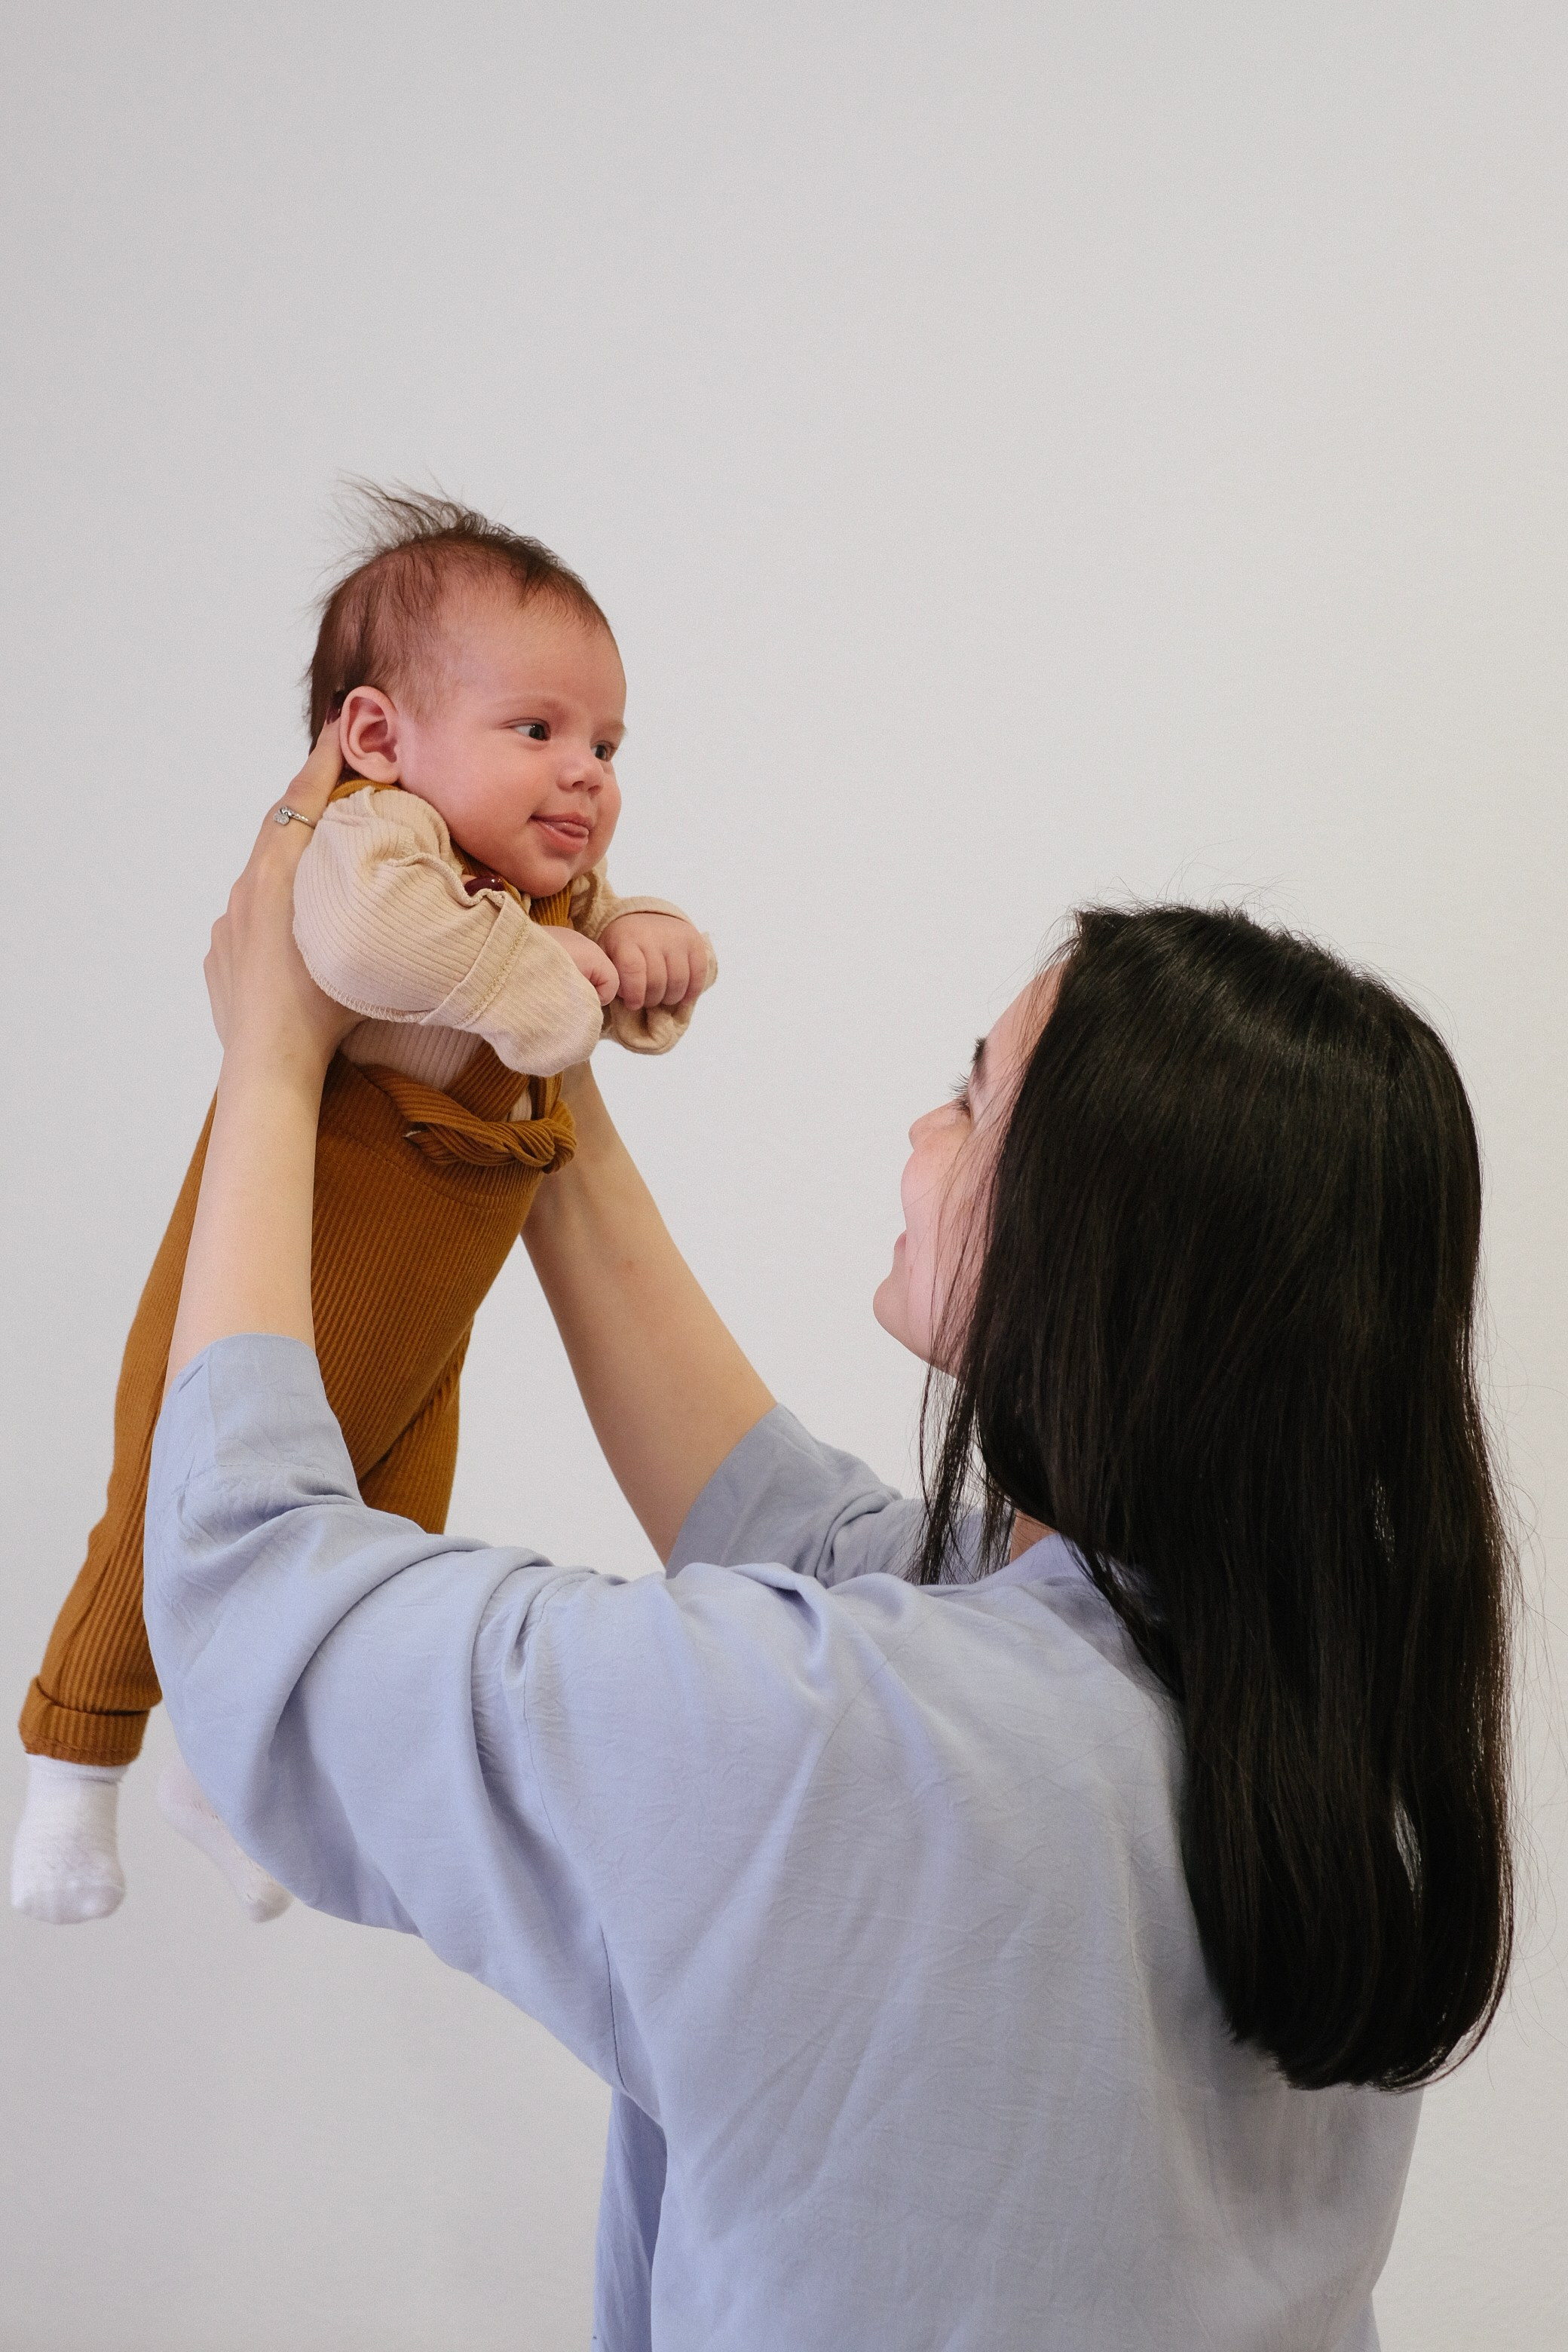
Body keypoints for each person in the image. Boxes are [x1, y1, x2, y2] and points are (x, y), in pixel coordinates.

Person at [141, 746, 1514, 2351]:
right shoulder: (1320, 1706)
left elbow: (253, 1603)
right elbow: (799, 1531)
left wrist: (272, 1063)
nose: (921, 1129)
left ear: (1099, 1239)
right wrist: (531, 1039)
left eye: (973, 1093)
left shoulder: (837, 1742)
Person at [11, 490, 712, 1926]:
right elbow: (365, 941)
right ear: (382, 737)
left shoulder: (531, 884)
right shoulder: (373, 839)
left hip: (434, 1289)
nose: (584, 774)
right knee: (168, 1499)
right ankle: (71, 1774)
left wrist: (643, 948)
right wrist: (548, 987)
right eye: (539, 731)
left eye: (607, 744)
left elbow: (593, 986)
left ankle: (233, 1772)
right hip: (293, 1256)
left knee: (380, 1550)